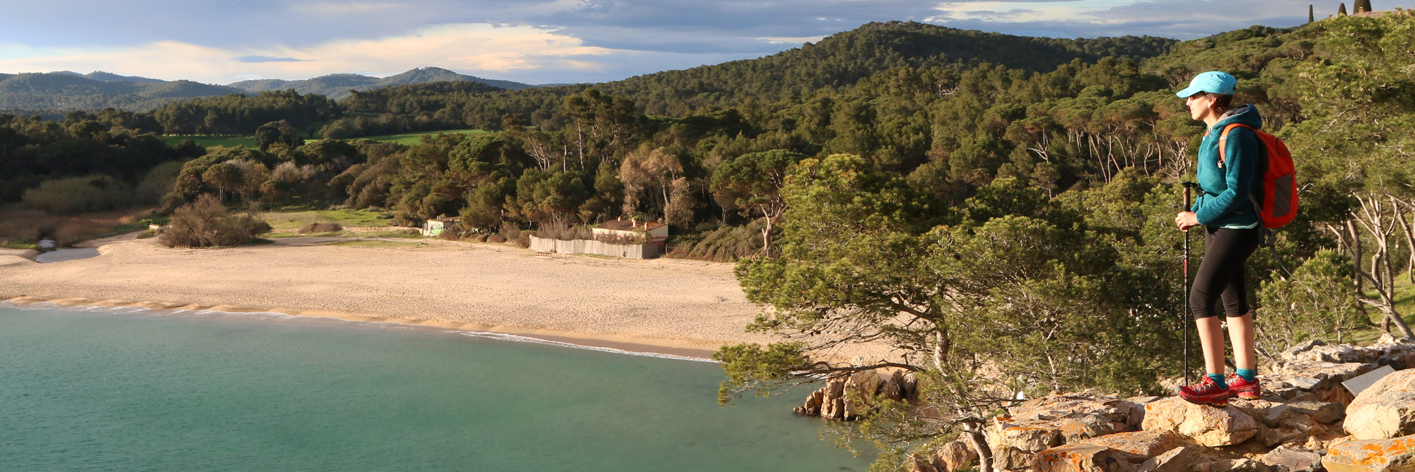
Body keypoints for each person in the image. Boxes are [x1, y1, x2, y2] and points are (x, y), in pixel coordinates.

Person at [1173, 71, 1263, 406]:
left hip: (1237, 229)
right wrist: (1196, 213)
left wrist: (1199, 216)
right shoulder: (1214, 132)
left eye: (1193, 96)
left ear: (1212, 99)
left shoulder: (1236, 135)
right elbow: (1215, 188)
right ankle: (1246, 379)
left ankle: (1215, 381)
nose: (1188, 102)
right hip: (1221, 226)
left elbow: (1238, 192)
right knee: (1233, 300)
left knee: (1200, 298)